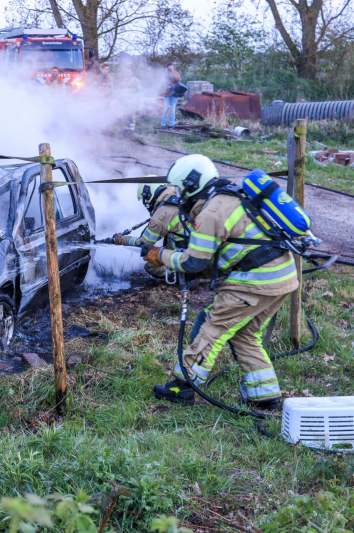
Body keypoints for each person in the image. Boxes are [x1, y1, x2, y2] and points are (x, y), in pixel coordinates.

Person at [145, 154, 298, 410]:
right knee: (246, 334)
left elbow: (194, 262)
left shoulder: (210, 213)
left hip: (256, 280)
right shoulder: (228, 198)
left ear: (193, 185)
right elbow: (217, 257)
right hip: (282, 275)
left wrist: (159, 255)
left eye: (182, 189)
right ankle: (266, 399)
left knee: (212, 326)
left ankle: (183, 386)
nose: (179, 196)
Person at [113, 181, 205, 279]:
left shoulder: (162, 214)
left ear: (148, 195)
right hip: (203, 245)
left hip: (190, 254)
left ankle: (188, 275)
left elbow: (143, 243)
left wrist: (120, 239)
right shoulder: (178, 193)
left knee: (151, 266)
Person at [160, 62, 181, 129]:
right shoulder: (164, 73)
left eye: (172, 67)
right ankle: (163, 124)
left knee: (172, 110)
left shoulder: (175, 73)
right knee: (165, 110)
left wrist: (172, 73)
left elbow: (179, 79)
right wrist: (166, 73)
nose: (171, 68)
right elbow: (162, 81)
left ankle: (171, 124)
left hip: (174, 94)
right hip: (166, 94)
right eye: (170, 67)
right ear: (167, 67)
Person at [122, 67, 141, 134]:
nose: (128, 73)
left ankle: (131, 130)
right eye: (127, 72)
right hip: (125, 101)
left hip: (133, 101)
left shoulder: (136, 81)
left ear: (132, 72)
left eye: (129, 72)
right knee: (126, 115)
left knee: (132, 115)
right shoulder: (124, 80)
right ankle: (127, 128)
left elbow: (139, 91)